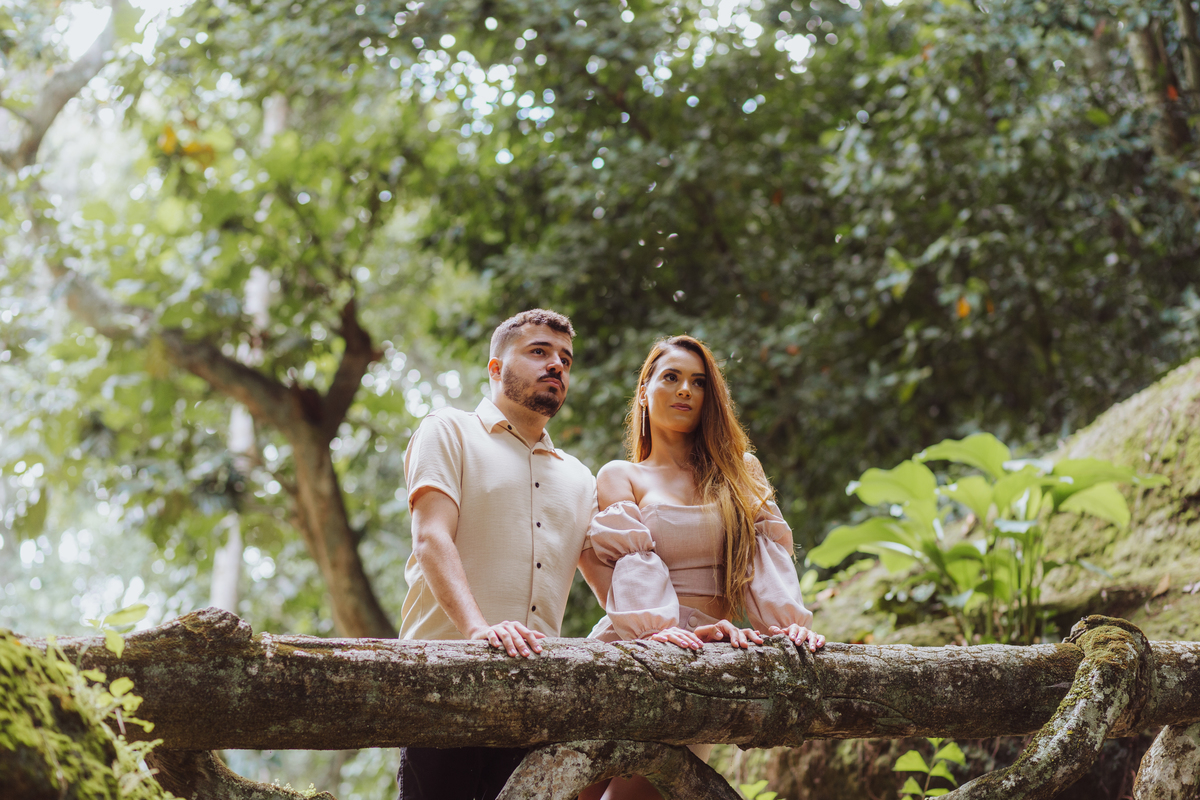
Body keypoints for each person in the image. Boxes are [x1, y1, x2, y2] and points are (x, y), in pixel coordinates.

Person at [580, 335, 825, 800]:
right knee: (574, 788)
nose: (685, 391)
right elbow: (629, 569)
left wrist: (789, 627)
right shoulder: (620, 475)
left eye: (698, 382)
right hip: (637, 643)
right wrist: (658, 631)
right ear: (644, 391)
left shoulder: (740, 470)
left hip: (708, 655)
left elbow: (766, 558)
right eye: (671, 377)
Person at [397, 308, 611, 800]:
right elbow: (431, 537)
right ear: (495, 368)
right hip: (442, 686)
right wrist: (478, 631)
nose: (556, 365)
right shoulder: (448, 430)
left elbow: (610, 586)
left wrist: (673, 629)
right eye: (539, 352)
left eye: (565, 359)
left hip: (536, 701)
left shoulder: (581, 478)